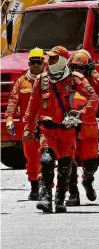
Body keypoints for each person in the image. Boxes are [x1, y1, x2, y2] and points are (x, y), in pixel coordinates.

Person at [23, 46, 99, 213]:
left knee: (65, 166)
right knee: (46, 161)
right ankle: (45, 198)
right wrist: (27, 129)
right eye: (48, 58)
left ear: (64, 60)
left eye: (53, 58)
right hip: (47, 129)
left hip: (67, 130)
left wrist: (80, 114)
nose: (48, 61)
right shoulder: (42, 80)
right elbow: (32, 107)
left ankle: (60, 200)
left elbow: (93, 98)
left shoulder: (75, 79)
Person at [66, 50, 99, 206]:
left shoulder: (93, 80)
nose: (78, 70)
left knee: (91, 164)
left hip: (89, 126)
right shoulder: (66, 79)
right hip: (70, 126)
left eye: (82, 67)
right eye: (75, 67)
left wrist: (95, 74)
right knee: (70, 162)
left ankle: (88, 180)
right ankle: (73, 194)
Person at [5, 48, 45, 200]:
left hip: (46, 125)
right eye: (33, 62)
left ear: (44, 63)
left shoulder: (49, 81)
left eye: (38, 62)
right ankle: (34, 187)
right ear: (29, 63)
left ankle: (45, 187)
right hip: (28, 127)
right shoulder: (21, 82)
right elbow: (13, 102)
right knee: (31, 157)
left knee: (45, 157)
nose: (35, 65)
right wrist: (9, 119)